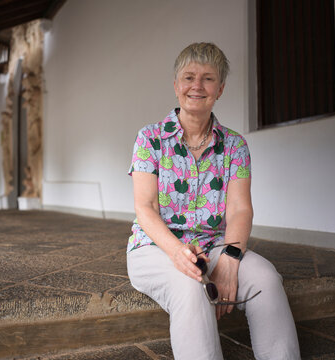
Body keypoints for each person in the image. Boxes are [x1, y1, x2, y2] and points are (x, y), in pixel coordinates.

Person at [126, 42, 300, 359]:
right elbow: (145, 207)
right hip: (156, 246)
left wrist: (231, 257)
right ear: (176, 85)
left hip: (214, 244)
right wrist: (178, 252)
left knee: (266, 279)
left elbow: (239, 209)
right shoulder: (149, 138)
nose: (197, 86)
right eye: (189, 77)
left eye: (208, 78)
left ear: (219, 89)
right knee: (192, 287)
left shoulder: (235, 145)